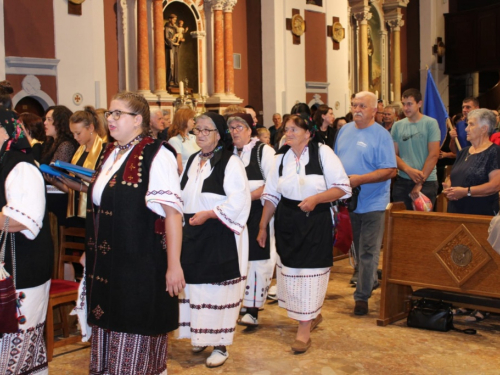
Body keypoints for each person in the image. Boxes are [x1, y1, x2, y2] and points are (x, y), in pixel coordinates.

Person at [85, 91, 184, 374]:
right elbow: (101, 206)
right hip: (110, 262)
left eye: (118, 114)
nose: (111, 119)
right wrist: (88, 253)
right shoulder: (109, 152)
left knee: (134, 329)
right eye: (110, 114)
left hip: (141, 263)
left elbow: (173, 214)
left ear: (138, 120)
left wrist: (174, 266)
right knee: (109, 325)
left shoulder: (157, 155)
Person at [258, 114, 351, 353]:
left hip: (316, 218)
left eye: (293, 130)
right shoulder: (280, 159)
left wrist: (316, 199)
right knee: (291, 270)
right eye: (286, 129)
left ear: (308, 133)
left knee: (311, 270)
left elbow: (342, 187)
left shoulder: (323, 154)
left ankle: (303, 329)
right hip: (288, 220)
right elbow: (270, 196)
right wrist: (262, 228)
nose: (287, 133)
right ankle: (310, 315)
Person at [177, 112, 251, 368]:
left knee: (218, 290)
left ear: (219, 135)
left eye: (206, 130)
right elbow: (182, 194)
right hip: (194, 234)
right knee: (197, 288)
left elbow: (240, 200)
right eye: (197, 129)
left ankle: (220, 344)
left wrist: (210, 213)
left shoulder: (231, 163)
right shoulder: (192, 160)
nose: (200, 134)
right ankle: (201, 335)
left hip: (220, 234)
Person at [335, 91, 397, 315]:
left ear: (374, 110)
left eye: (362, 105)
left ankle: (361, 297)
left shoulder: (381, 136)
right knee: (357, 248)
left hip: (374, 203)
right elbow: (336, 162)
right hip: (349, 202)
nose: (356, 109)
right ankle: (368, 281)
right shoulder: (344, 131)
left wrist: (360, 179)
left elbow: (390, 170)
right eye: (353, 105)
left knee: (368, 251)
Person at [0, 120, 53, 375]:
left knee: (18, 345)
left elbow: (25, 220)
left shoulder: (21, 166)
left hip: (24, 267)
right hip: (8, 267)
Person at [443, 109, 500, 323]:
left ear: (485, 128)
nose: (466, 128)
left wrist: (465, 191)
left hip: (481, 212)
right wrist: (448, 187)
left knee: (482, 258)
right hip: (458, 211)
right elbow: (455, 177)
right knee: (461, 256)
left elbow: (495, 185)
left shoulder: (494, 152)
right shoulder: (465, 151)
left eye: (471, 124)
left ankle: (483, 304)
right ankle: (464, 300)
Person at [227, 114, 276, 327]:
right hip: (234, 213)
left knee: (257, 259)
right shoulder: (227, 154)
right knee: (238, 259)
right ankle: (238, 304)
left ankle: (253, 309)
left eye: (239, 127)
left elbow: (273, 184)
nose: (235, 131)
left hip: (258, 211)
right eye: (231, 128)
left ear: (250, 130)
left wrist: (246, 196)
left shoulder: (263, 151)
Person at [46, 106, 106, 228]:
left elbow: (104, 188)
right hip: (76, 212)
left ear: (91, 128)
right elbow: (71, 189)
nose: (75, 137)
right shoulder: (79, 151)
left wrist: (79, 187)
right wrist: (57, 182)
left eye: (78, 133)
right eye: (73, 133)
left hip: (95, 210)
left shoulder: (105, 150)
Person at [391, 88, 440, 210]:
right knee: (400, 223)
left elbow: (434, 155)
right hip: (403, 180)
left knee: (423, 225)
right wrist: (408, 170)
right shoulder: (397, 125)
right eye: (403, 104)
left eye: (409, 104)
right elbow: (393, 154)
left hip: (427, 180)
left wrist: (419, 183)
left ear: (419, 103)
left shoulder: (431, 123)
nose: (406, 108)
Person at [41, 105, 78, 227]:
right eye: (45, 119)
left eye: (49, 120)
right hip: (53, 193)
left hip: (61, 198)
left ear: (60, 122)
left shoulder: (66, 145)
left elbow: (54, 170)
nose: (45, 123)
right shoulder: (51, 143)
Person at [167, 107, 200, 171]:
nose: (194, 122)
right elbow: (179, 167)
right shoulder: (175, 140)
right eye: (191, 119)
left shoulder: (194, 137)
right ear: (184, 120)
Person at [165, 14, 180, 86]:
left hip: (174, 48)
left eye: (175, 20)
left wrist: (179, 40)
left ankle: (174, 80)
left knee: (175, 64)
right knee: (171, 64)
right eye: (174, 19)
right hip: (170, 48)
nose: (175, 21)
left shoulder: (174, 28)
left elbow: (177, 37)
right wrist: (173, 42)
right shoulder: (167, 28)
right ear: (170, 19)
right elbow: (166, 38)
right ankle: (169, 80)